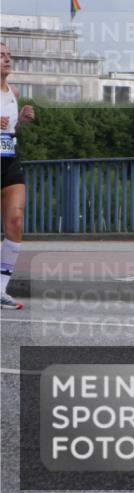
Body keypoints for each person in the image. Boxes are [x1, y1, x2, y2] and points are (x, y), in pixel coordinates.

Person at [0, 41, 35, 310]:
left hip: (9, 159)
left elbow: (11, 133)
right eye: (1, 56)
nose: (7, 60)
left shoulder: (14, 91)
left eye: (9, 55)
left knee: (16, 220)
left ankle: (1, 288)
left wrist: (20, 122)